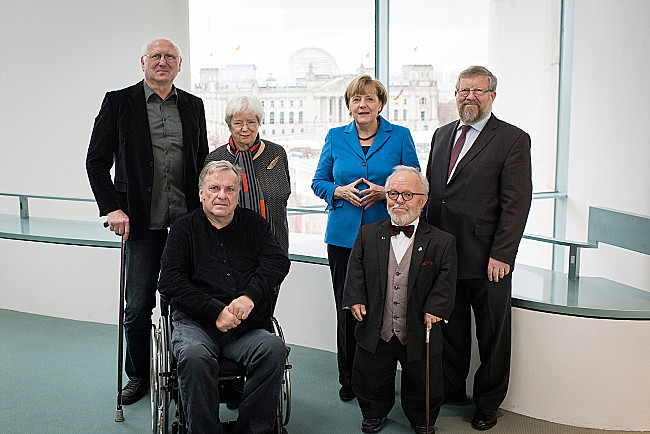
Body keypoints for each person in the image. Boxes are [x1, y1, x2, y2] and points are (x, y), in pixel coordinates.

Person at [86, 38, 208, 404]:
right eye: (155, 56)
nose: (162, 61)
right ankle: (139, 375)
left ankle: (181, 370)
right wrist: (112, 208)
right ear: (142, 63)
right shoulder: (119, 102)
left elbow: (200, 161)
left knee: (183, 303)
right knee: (138, 306)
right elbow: (95, 161)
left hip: (186, 226)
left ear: (179, 64)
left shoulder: (193, 105)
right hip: (140, 225)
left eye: (169, 56)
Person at [424, 66, 532, 430]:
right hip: (445, 256)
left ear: (492, 96)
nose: (469, 96)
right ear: (454, 94)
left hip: (489, 259)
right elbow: (435, 196)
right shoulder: (441, 135)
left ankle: (488, 404)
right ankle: (453, 390)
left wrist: (503, 254)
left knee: (492, 337)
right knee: (450, 331)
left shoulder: (512, 139)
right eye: (463, 90)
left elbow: (516, 203)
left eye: (478, 91)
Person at [158, 160, 290, 434]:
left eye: (230, 189)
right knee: (194, 357)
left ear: (238, 194)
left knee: (273, 349)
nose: (222, 195)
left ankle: (252, 429)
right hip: (196, 324)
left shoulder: (253, 224)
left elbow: (277, 261)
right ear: (201, 193)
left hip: (245, 327)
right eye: (214, 188)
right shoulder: (184, 229)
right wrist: (216, 311)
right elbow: (169, 281)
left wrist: (249, 298)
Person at [311, 75, 420, 402]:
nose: (363, 105)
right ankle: (349, 379)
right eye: (357, 100)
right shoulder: (334, 137)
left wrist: (386, 192)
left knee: (380, 310)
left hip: (386, 238)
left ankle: (376, 380)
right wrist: (338, 191)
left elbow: (414, 182)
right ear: (348, 106)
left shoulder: (400, 137)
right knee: (347, 310)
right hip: (343, 239)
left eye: (369, 99)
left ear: (380, 104)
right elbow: (318, 182)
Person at [342, 166, 457, 434]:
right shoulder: (367, 234)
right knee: (372, 372)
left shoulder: (442, 241)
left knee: (422, 376)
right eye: (393, 193)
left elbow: (446, 278)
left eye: (407, 194)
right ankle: (373, 411)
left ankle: (422, 416)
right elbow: (355, 269)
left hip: (417, 325)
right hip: (377, 323)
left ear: (423, 200)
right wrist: (356, 298)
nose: (399, 200)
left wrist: (436, 308)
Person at [205, 96, 291, 252]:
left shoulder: (277, 153)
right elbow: (208, 207)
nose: (245, 128)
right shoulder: (215, 159)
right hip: (228, 248)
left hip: (274, 244)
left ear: (258, 123)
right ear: (229, 126)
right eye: (238, 123)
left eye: (251, 122)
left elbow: (285, 193)